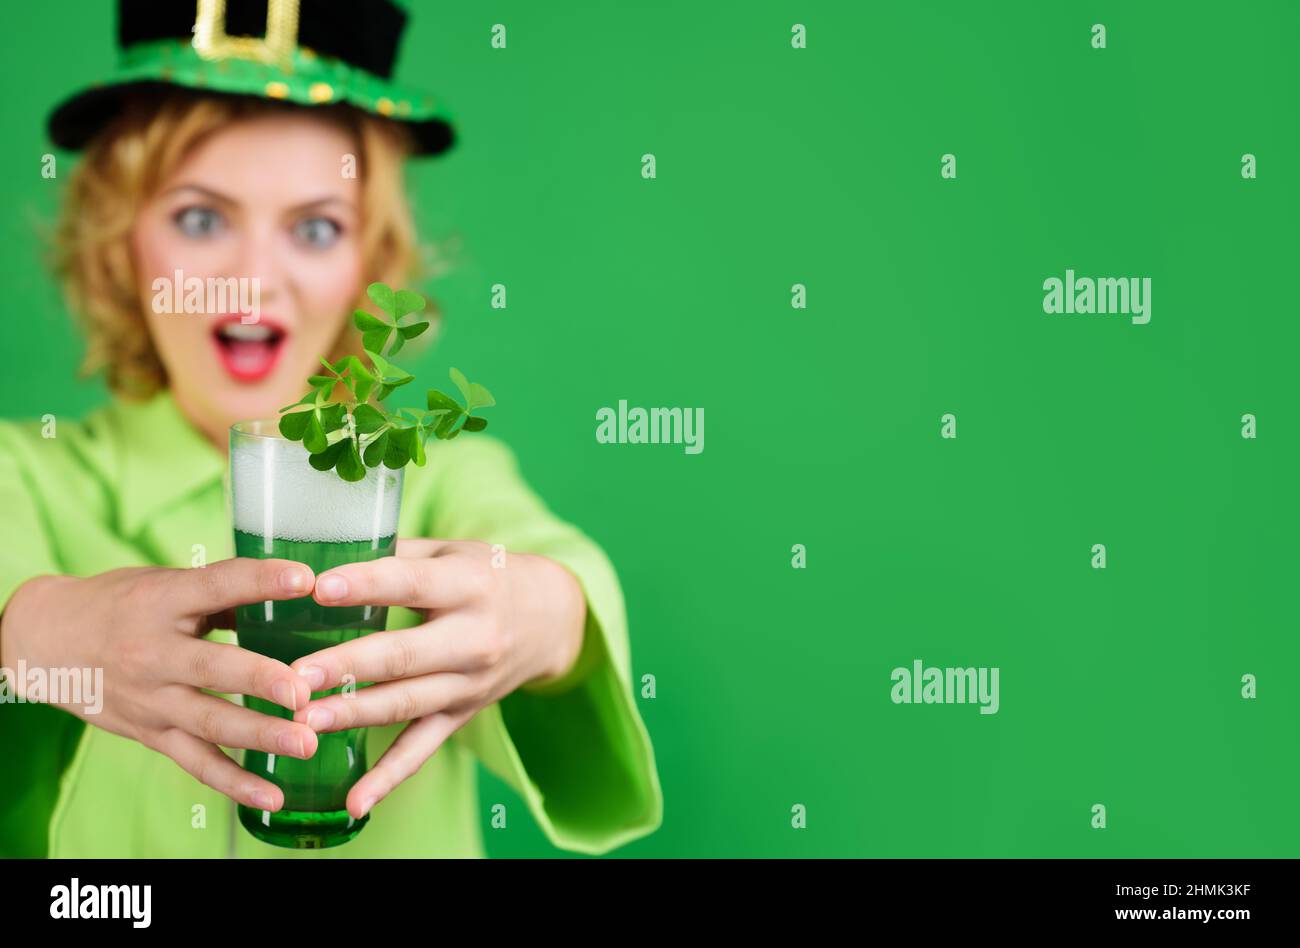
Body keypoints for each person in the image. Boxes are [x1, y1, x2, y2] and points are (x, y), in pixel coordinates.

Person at [0, 0, 662, 858]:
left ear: (369, 263)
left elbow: (548, 561)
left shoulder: (436, 479)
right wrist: (34, 632)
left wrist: (549, 615)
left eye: (315, 228)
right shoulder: (25, 473)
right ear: (122, 246)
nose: (254, 280)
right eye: (201, 219)